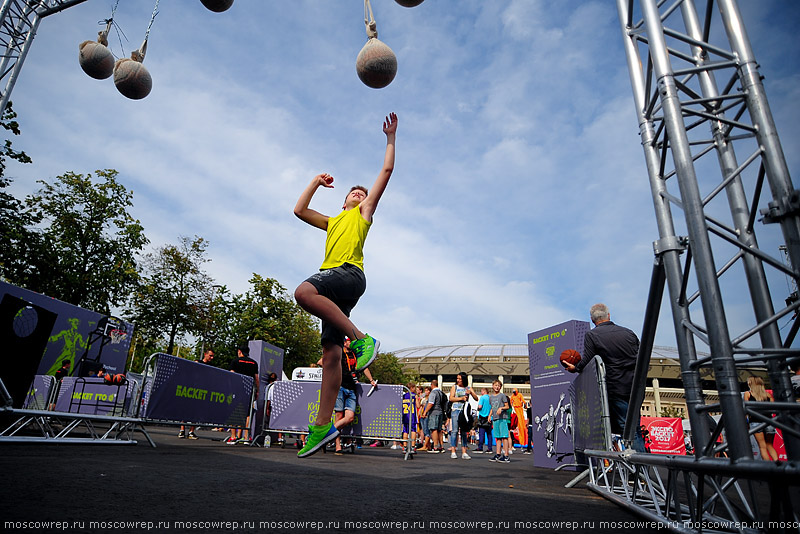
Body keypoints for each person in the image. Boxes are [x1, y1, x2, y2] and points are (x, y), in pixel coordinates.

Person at [292, 112, 398, 458]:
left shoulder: (362, 215)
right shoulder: (333, 220)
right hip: (337, 288)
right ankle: (323, 424)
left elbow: (385, 173)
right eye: (353, 191)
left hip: (348, 274)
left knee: (303, 293)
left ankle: (362, 339)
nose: (358, 193)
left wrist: (390, 138)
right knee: (331, 353)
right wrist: (315, 181)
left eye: (361, 193)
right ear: (342, 200)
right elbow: (299, 210)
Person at [563, 303, 645, 453]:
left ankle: (640, 469)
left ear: (593, 320)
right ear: (609, 315)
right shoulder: (629, 333)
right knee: (634, 428)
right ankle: (641, 467)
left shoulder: (593, 335)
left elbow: (587, 358)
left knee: (628, 430)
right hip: (636, 386)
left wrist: (575, 368)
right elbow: (641, 357)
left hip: (616, 387)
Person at [320, 337, 376, 455]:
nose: (350, 343)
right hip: (340, 387)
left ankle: (325, 433)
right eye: (349, 341)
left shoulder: (355, 354)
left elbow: (364, 366)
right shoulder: (339, 352)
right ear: (344, 343)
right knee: (339, 416)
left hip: (351, 388)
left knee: (349, 417)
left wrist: (371, 380)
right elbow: (321, 362)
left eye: (351, 341)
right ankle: (338, 446)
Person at [226, 345, 259, 445]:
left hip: (236, 390)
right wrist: (257, 391)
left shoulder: (235, 361)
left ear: (239, 351)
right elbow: (256, 379)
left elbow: (231, 376)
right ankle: (245, 437)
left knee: (234, 411)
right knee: (247, 413)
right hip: (248, 390)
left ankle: (233, 437)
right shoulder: (254, 363)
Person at [179, 349, 214, 440]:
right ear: (205, 354)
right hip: (192, 389)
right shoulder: (197, 362)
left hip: (202, 391)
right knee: (185, 409)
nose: (211, 358)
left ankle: (191, 431)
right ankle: (182, 430)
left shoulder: (211, 367)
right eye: (210, 355)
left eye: (212, 356)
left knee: (196, 411)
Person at [743, 376, 778, 461]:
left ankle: (769, 468)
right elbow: (773, 409)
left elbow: (746, 410)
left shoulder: (748, 394)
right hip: (769, 421)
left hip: (755, 422)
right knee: (770, 445)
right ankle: (778, 465)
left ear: (750, 384)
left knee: (762, 447)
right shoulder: (768, 395)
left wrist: (745, 422)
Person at [448, 372, 478, 459]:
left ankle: (464, 451)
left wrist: (471, 393)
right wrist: (461, 398)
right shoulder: (455, 387)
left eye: (460, 379)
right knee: (455, 431)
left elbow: (476, 398)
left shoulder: (468, 387)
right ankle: (453, 450)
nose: (458, 380)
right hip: (456, 410)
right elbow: (451, 398)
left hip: (465, 410)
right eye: (457, 378)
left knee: (464, 431)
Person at [488, 379, 511, 463]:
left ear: (500, 387)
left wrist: (501, 408)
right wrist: (489, 415)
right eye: (496, 385)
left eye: (499, 386)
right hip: (495, 418)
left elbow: (507, 406)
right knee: (497, 437)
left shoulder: (502, 396)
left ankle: (506, 455)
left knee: (504, 437)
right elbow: (492, 407)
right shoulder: (491, 397)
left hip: (502, 418)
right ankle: (498, 454)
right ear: (493, 386)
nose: (497, 387)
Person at [422, 379, 446, 453]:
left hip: (434, 412)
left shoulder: (433, 393)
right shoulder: (441, 393)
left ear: (432, 385)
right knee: (439, 430)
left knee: (433, 429)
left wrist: (425, 411)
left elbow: (431, 403)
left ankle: (435, 447)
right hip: (440, 412)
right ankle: (441, 446)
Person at [474, 387, 493, 453]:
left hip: (482, 417)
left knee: (481, 433)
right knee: (489, 434)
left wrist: (478, 409)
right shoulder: (490, 398)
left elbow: (480, 406)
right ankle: (490, 448)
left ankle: (480, 447)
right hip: (489, 417)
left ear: (484, 391)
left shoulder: (482, 398)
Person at [418, 385, 432, 451]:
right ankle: (428, 445)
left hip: (426, 415)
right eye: (425, 390)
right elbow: (419, 406)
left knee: (426, 431)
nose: (426, 392)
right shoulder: (423, 398)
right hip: (421, 415)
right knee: (423, 429)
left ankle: (425, 445)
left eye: (427, 390)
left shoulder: (430, 398)